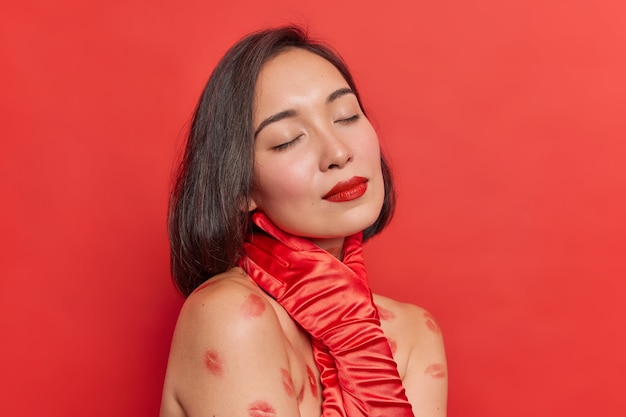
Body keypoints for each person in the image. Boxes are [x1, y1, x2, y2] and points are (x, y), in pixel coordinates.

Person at [160, 26, 448, 417]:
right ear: (241, 186)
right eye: (287, 139)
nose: (337, 152)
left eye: (346, 116)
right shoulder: (232, 317)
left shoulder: (414, 333)